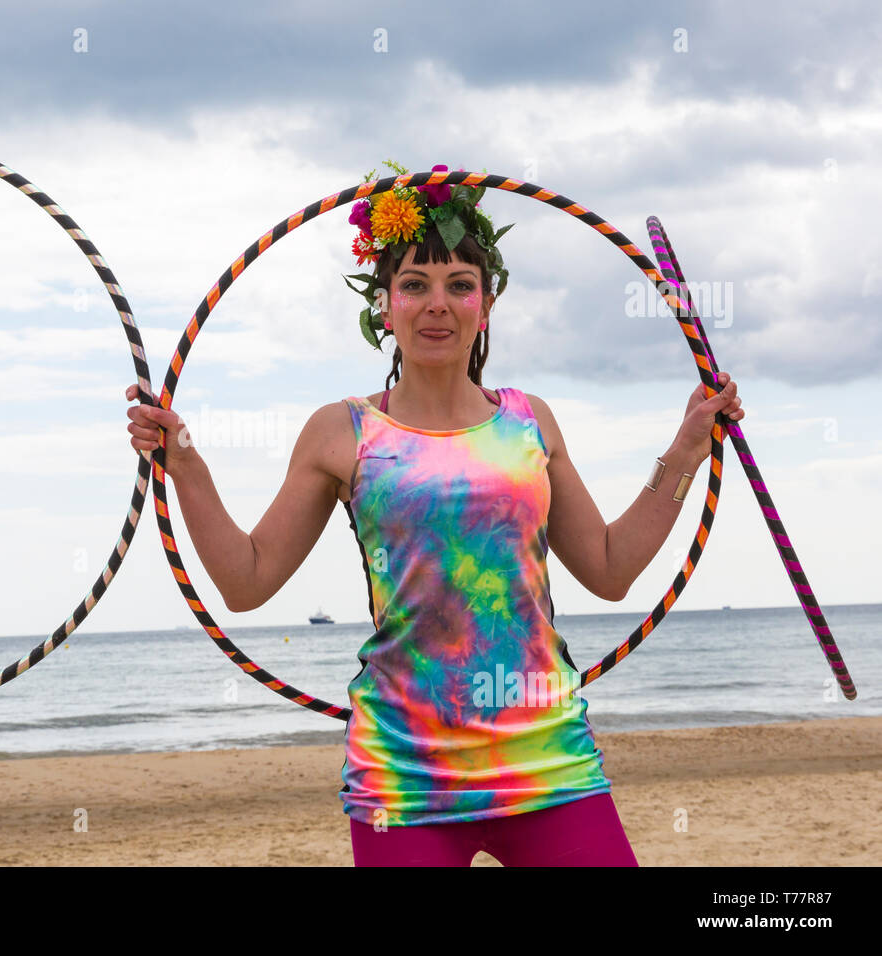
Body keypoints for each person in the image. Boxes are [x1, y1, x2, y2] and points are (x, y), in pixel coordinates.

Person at [124, 162, 744, 866]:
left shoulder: (529, 422)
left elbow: (610, 568)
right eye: (414, 286)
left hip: (547, 761)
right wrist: (189, 468)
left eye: (460, 285)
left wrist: (688, 447)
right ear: (383, 307)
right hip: (404, 776)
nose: (437, 305)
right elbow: (246, 581)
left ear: (487, 303)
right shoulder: (342, 432)